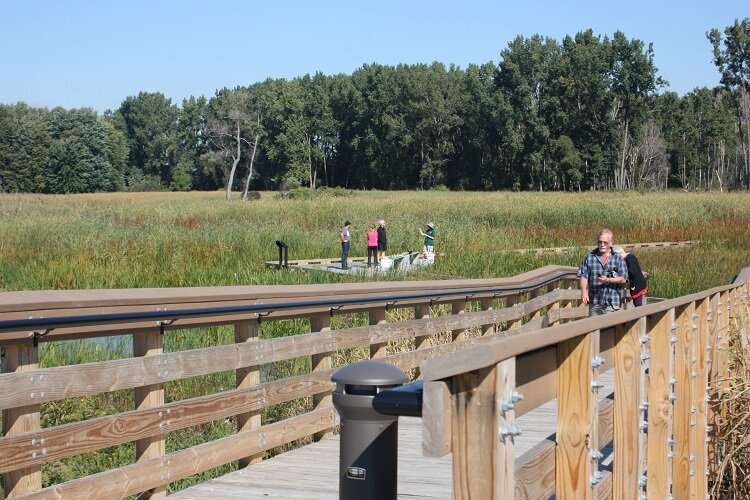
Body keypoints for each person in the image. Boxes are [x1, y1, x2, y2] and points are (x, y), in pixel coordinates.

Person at [577, 228, 628, 316]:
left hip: (612, 301)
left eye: (605, 242)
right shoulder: (589, 257)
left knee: (609, 328)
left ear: (611, 243)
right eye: (600, 242)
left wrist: (608, 280)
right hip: (595, 301)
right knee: (593, 328)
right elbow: (583, 275)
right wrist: (584, 292)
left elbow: (623, 278)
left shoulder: (617, 258)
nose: (602, 244)